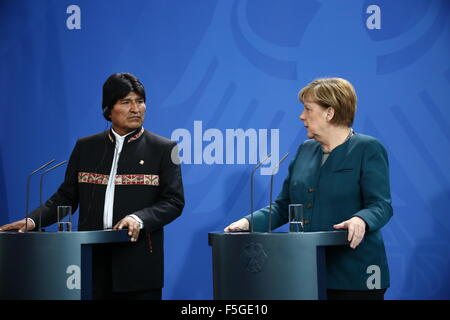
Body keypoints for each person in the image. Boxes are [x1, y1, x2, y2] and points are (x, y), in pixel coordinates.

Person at [0, 73, 185, 300]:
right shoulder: (86, 147)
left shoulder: (165, 148)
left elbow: (174, 202)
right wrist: (32, 220)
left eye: (140, 101)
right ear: (108, 109)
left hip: (139, 267)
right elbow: (65, 198)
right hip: (89, 265)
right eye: (126, 102)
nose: (136, 109)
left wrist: (139, 219)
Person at [225, 78, 392, 300]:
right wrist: (248, 223)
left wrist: (361, 220)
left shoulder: (368, 148)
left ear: (329, 113)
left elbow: (381, 205)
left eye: (307, 109)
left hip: (355, 274)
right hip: (305, 273)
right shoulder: (305, 149)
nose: (301, 116)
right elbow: (285, 205)